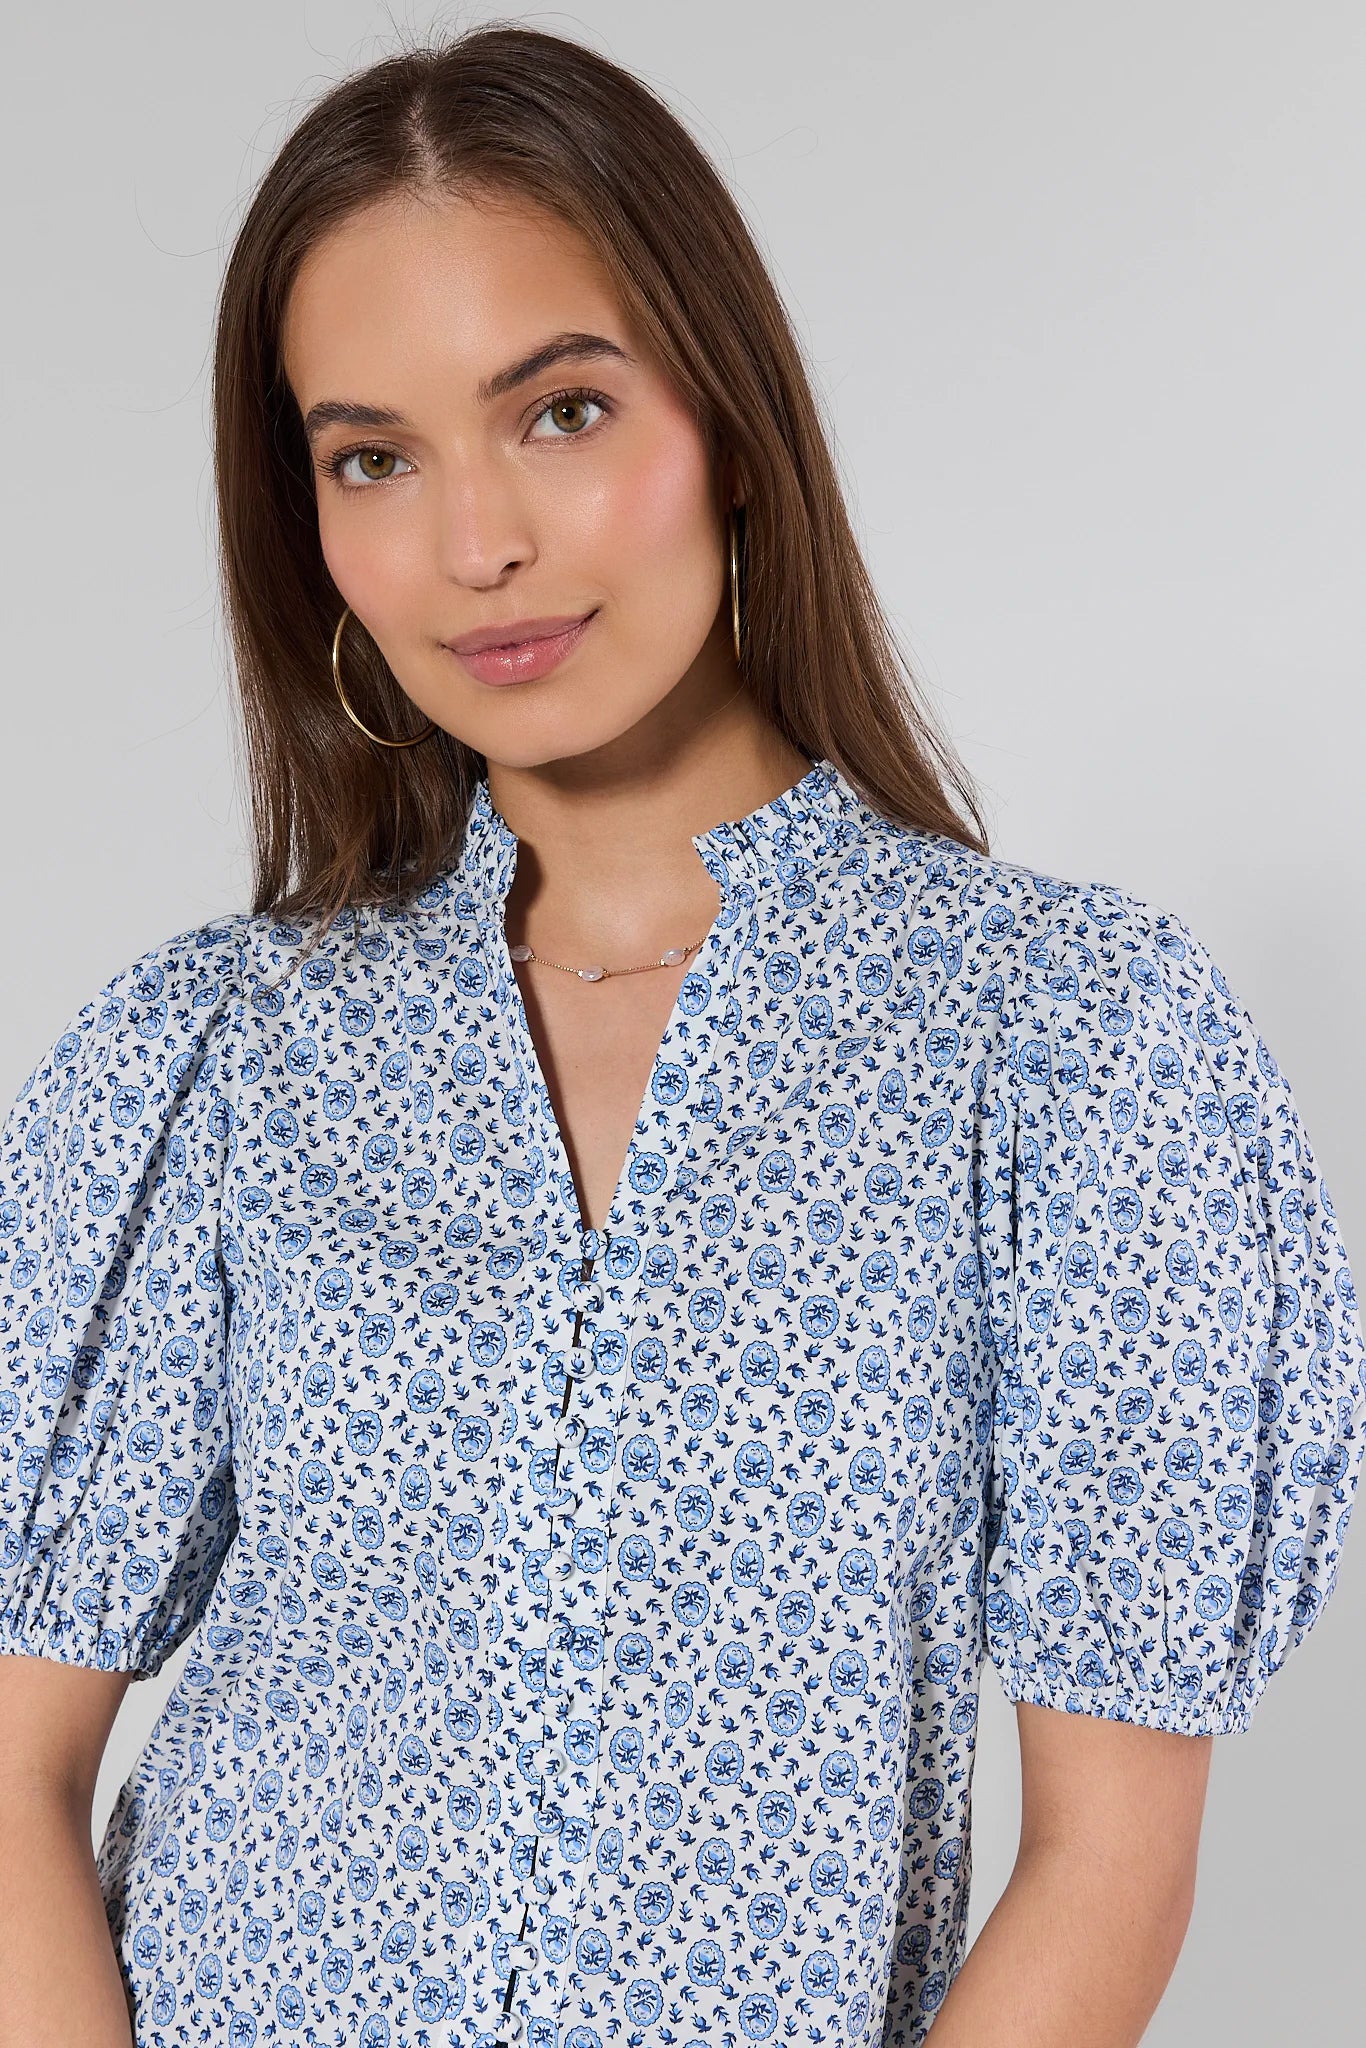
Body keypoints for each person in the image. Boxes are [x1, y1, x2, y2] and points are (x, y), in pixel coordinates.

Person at [1, 22, 1362, 2048]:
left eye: (555, 412)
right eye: (371, 454)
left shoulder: (1065, 1044)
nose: (476, 546)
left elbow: (1106, 1861)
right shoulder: (210, 1060)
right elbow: (13, 1760)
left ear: (724, 414)